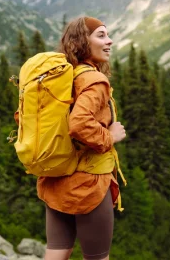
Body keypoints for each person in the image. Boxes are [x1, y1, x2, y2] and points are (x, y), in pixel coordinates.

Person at [37, 16, 127, 260]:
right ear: (81, 42)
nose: (109, 41)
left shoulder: (64, 77)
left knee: (57, 252)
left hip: (57, 178)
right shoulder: (94, 80)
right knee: (97, 257)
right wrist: (110, 136)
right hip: (89, 184)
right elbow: (78, 124)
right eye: (101, 35)